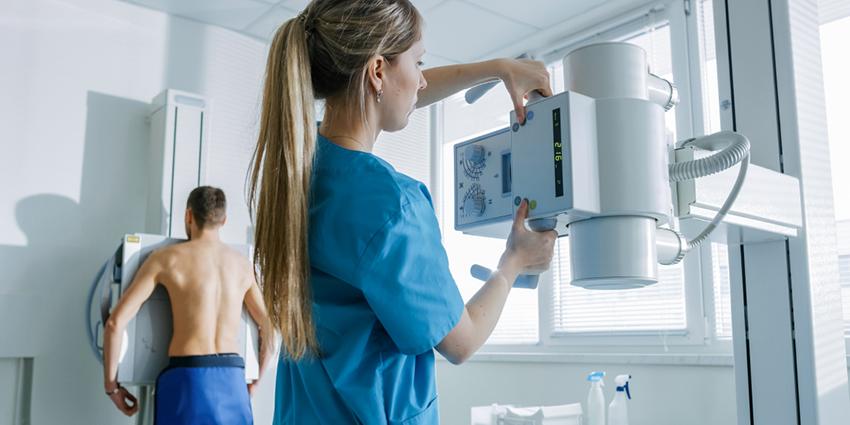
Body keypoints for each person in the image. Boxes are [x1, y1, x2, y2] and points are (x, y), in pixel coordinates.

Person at [248, 1, 557, 423]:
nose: (422, 79)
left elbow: (405, 90)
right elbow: (460, 341)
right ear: (377, 71)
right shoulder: (393, 206)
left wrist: (499, 68)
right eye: (418, 61)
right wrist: (514, 261)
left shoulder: (302, 172)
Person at [102, 186, 275, 424]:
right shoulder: (242, 265)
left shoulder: (166, 259)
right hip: (234, 377)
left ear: (189, 216)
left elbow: (114, 323)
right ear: (223, 220)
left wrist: (112, 387)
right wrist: (255, 383)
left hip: (190, 378)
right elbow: (269, 327)